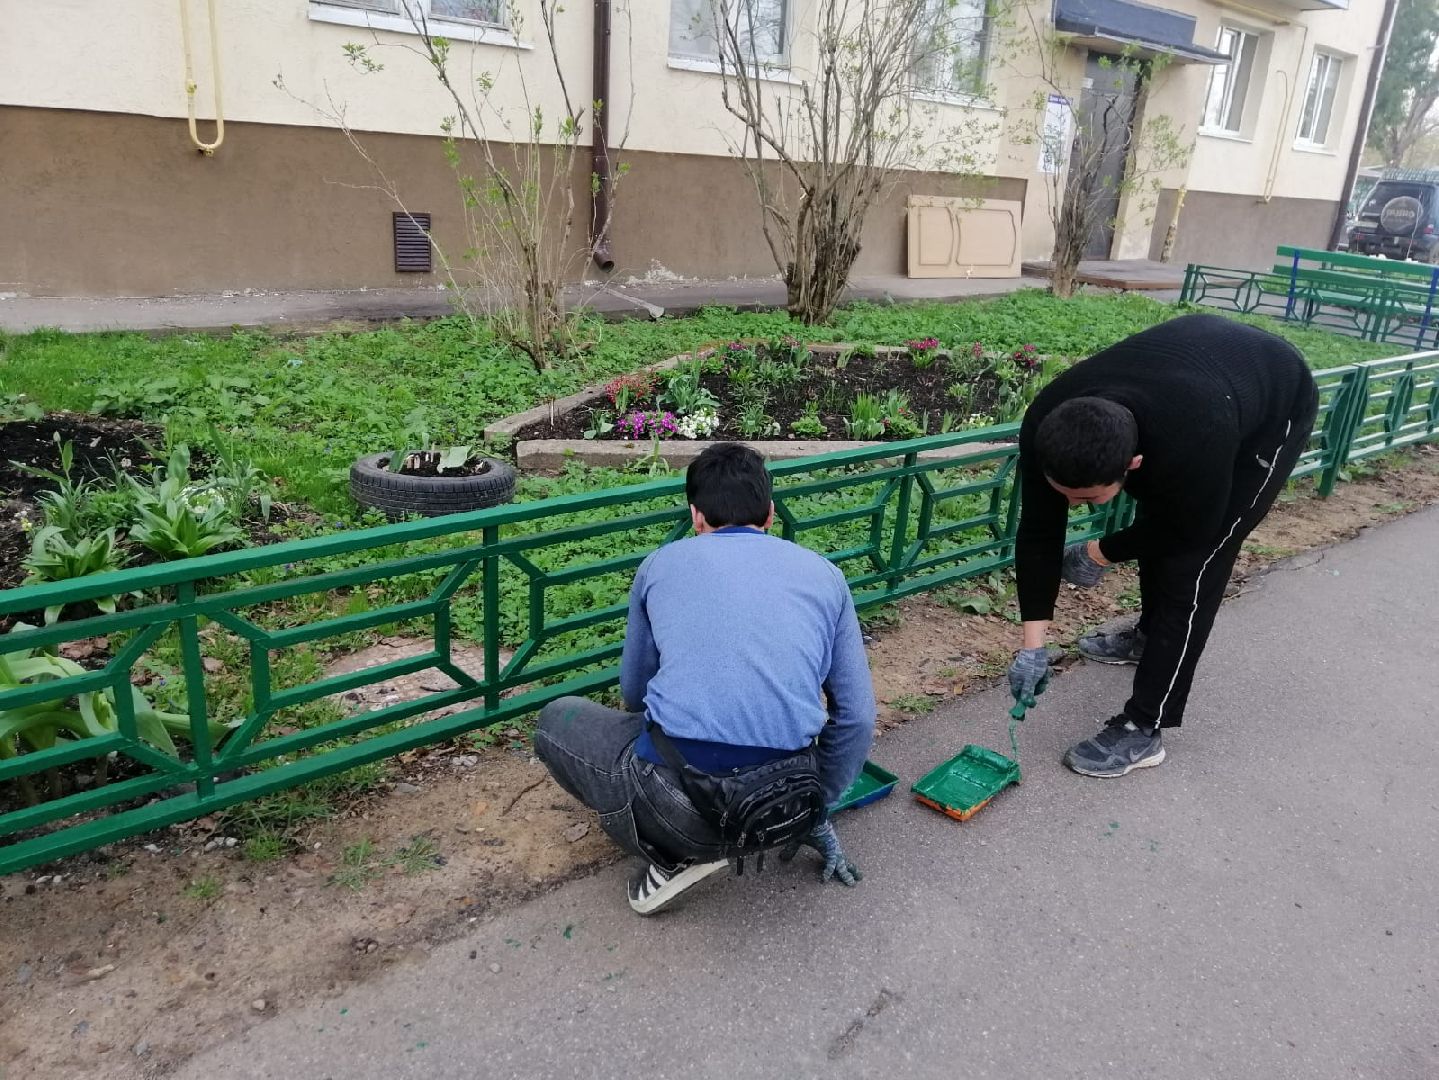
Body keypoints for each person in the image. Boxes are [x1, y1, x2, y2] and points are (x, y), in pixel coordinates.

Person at [535, 442, 877, 915]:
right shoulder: (827, 576)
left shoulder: (660, 565)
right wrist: (814, 810)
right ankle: (730, 833)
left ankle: (671, 855)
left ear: (696, 517)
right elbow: (857, 719)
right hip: (782, 800)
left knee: (554, 722)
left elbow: (634, 694)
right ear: (771, 514)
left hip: (674, 804)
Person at [1007, 313, 1319, 778]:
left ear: (1132, 463)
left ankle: (1145, 726)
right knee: (1159, 522)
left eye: (1087, 498)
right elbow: (1037, 533)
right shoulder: (1048, 426)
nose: (1071, 506)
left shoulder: (1195, 438)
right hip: (1192, 375)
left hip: (1273, 398)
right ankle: (1147, 638)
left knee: (1193, 566)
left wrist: (1099, 553)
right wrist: (1032, 647)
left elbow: (1189, 529)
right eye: (1065, 493)